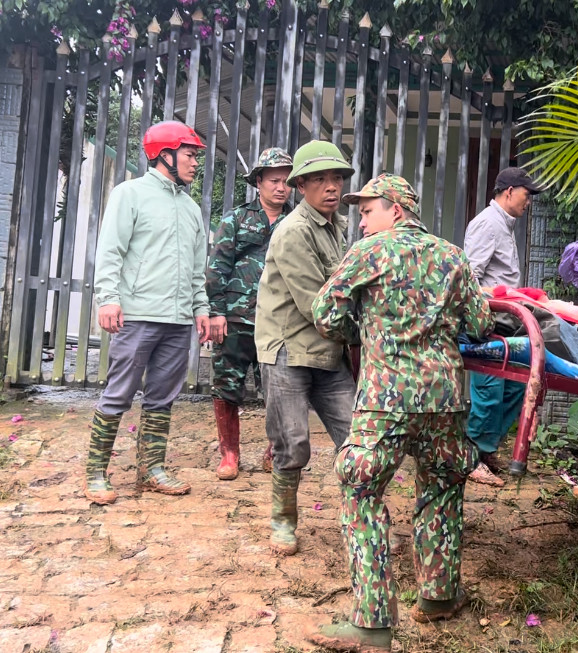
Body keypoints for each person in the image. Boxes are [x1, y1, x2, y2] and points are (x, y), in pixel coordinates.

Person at [307, 173, 493, 653]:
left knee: (361, 490)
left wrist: (365, 330)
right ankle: (438, 597)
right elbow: (480, 324)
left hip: (385, 400)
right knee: (442, 487)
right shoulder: (452, 256)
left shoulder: (369, 252)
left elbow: (325, 314)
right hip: (444, 398)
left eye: (367, 211)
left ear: (396, 209)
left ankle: (372, 625)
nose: (361, 221)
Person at [83, 120, 210, 505]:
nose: (195, 163)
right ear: (164, 154)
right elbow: (111, 250)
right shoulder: (130, 194)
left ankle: (152, 469)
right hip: (137, 315)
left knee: (162, 397)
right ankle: (95, 472)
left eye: (196, 157)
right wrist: (108, 298)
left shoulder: (191, 209)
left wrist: (201, 308)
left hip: (178, 321)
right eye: (189, 155)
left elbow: (196, 269)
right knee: (119, 392)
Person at [254, 140, 357, 556]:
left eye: (336, 178)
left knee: (357, 437)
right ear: (300, 186)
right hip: (289, 350)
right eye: (319, 180)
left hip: (329, 350)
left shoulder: (338, 227)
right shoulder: (293, 232)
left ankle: (359, 519)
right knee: (293, 443)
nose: (331, 187)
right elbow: (319, 305)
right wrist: (373, 334)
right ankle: (283, 521)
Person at [206, 147, 293, 480]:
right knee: (226, 385)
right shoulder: (236, 219)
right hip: (236, 318)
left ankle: (275, 451)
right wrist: (216, 312)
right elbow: (218, 267)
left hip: (279, 321)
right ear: (259, 182)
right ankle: (229, 454)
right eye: (274, 181)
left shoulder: (297, 222)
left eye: (286, 182)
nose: (281, 188)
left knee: (279, 389)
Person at [461, 166, 544, 486]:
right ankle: (471, 458)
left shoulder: (504, 224)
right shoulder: (487, 223)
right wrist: (501, 300)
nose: (529, 202)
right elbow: (469, 279)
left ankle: (484, 449)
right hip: (487, 322)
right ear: (509, 192)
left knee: (517, 385)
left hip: (507, 323)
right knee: (489, 392)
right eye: (526, 194)